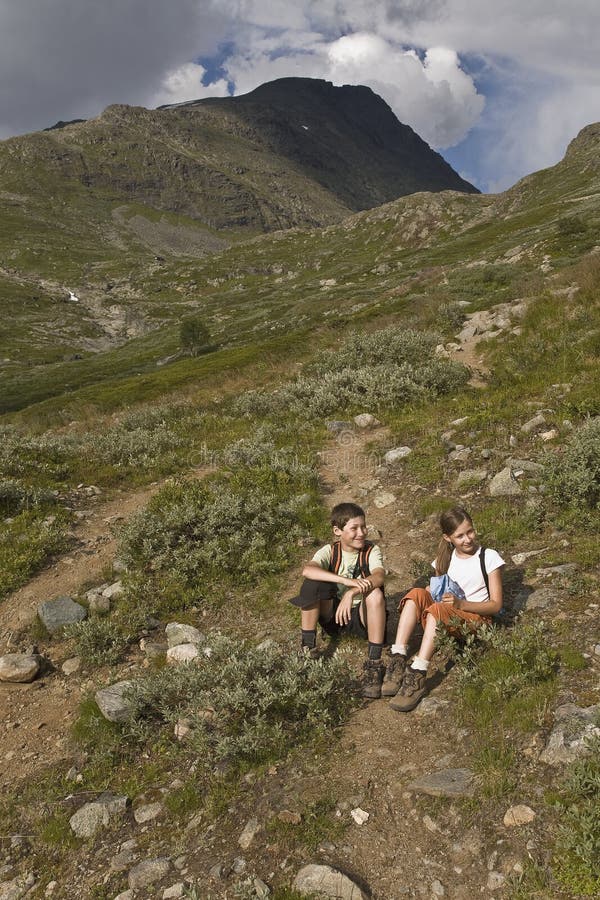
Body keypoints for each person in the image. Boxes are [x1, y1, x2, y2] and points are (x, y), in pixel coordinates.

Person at [383, 506, 504, 712]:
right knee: (415, 594)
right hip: (447, 613)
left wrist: (461, 605)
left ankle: (418, 672)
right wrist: (432, 591)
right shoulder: (444, 558)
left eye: (470, 532)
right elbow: (439, 589)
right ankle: (398, 657)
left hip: (477, 619)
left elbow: (496, 605)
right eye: (460, 536)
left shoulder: (488, 557)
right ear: (448, 538)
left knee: (437, 610)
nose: (467, 539)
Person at [290, 502, 386, 698]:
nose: (361, 533)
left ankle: (374, 663)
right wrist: (345, 580)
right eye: (354, 528)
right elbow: (308, 569)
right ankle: (309, 648)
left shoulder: (371, 551)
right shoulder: (329, 551)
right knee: (312, 583)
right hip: (333, 616)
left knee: (375, 593)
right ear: (337, 531)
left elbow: (379, 576)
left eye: (363, 526)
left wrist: (351, 592)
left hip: (362, 619)